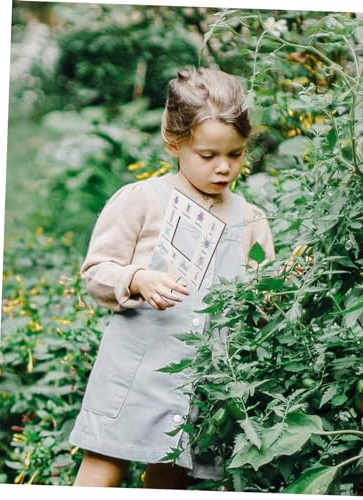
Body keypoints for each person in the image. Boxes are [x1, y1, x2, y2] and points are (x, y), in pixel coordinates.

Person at [68, 67, 275, 489]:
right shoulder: (142, 201)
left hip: (203, 382)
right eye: (208, 155)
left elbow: (259, 288)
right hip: (135, 374)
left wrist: (276, 287)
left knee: (169, 479)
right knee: (103, 468)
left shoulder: (251, 221)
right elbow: (96, 271)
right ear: (174, 143)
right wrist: (138, 278)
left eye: (235, 155)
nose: (224, 168)